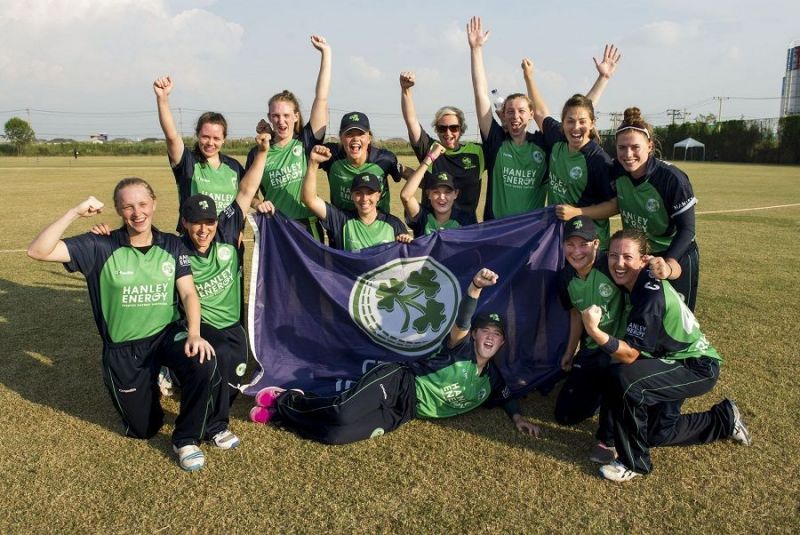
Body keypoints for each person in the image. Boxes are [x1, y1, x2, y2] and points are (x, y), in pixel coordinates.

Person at [26, 178, 226, 472]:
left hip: (166, 335)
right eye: (128, 207)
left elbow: (187, 292)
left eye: (143, 204)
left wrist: (194, 334)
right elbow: (38, 251)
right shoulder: (99, 245)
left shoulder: (172, 244)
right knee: (145, 429)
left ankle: (186, 439)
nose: (137, 213)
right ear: (119, 210)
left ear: (154, 204)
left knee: (202, 360)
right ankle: (154, 380)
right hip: (124, 350)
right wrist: (75, 212)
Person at [91, 130, 272, 425]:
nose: (203, 230)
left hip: (232, 326)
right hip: (201, 327)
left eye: (209, 222)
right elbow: (140, 244)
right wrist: (107, 237)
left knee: (233, 380)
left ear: (217, 221)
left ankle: (186, 380)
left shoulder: (226, 230)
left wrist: (262, 151)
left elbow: (246, 191)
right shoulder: (175, 247)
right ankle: (203, 411)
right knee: (212, 364)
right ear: (184, 223)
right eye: (195, 224)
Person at [249, 268, 540, 445]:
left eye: (497, 334)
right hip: (400, 381)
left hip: (405, 411)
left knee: (334, 436)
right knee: (341, 412)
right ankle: (286, 399)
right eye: (484, 331)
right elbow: (462, 321)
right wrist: (474, 288)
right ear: (475, 335)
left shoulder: (491, 379)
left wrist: (517, 418)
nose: (490, 337)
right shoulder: (460, 346)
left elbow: (505, 396)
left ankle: (280, 417)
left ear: (502, 343)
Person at [580, 229, 752, 482]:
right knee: (658, 433)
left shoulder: (649, 293)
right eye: (614, 255)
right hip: (667, 360)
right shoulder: (637, 275)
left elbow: (628, 355)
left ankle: (634, 463)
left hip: (695, 366)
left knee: (626, 378)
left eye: (627, 257)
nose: (618, 263)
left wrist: (593, 330)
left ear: (644, 259)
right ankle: (724, 419)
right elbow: (595, 256)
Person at [524, 45, 621, 248]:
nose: (576, 127)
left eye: (582, 122)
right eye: (570, 121)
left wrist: (578, 212)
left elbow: (614, 206)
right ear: (563, 123)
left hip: (591, 245)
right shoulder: (558, 139)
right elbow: (541, 113)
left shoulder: (598, 159)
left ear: (592, 124)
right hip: (561, 238)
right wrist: (529, 77)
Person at [612, 107, 700, 311]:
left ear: (649, 146)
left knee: (674, 318)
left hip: (674, 254)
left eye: (635, 147)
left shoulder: (671, 178)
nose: (628, 154)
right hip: (638, 257)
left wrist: (668, 264)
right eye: (622, 147)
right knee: (639, 319)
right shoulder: (616, 171)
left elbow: (687, 229)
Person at [245, 35, 331, 241]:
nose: (281, 121)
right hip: (275, 228)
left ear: (296, 117)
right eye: (276, 116)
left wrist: (326, 53)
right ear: (269, 118)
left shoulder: (306, 142)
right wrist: (258, 204)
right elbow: (249, 193)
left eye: (286, 115)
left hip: (307, 226)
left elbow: (321, 97)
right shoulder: (259, 152)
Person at [555, 216, 626, 465]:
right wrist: (570, 350)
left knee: (617, 378)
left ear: (596, 244)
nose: (576, 252)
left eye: (583, 244)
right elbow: (575, 313)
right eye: (570, 244)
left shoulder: (612, 265)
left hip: (620, 350)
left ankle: (609, 438)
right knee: (565, 415)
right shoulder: (565, 278)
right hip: (592, 349)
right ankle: (601, 396)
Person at [467, 16, 547, 221]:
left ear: (531, 114)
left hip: (530, 233)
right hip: (496, 231)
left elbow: (554, 117)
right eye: (510, 111)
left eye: (521, 111)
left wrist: (529, 78)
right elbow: (481, 94)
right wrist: (476, 50)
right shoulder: (496, 141)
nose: (515, 116)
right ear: (502, 114)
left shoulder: (543, 144)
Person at [153, 76, 244, 230]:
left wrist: (240, 231)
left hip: (226, 242)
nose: (210, 143)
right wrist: (162, 98)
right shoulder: (187, 161)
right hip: (192, 239)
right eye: (205, 137)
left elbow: (244, 200)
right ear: (197, 135)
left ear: (224, 140)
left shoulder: (234, 167)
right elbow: (171, 135)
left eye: (216, 138)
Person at [400, 71, 484, 219]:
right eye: (442, 128)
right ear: (436, 130)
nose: (448, 133)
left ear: (461, 128)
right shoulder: (431, 149)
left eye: (454, 128)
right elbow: (411, 121)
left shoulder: (477, 152)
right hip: (434, 230)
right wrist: (406, 90)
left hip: (466, 229)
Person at [301, 145, 411, 251]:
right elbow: (309, 199)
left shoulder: (393, 224)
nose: (364, 198)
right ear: (352, 195)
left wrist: (409, 242)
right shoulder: (341, 220)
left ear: (378, 195)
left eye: (370, 193)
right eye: (359, 193)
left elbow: (408, 256)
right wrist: (313, 163)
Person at [321, 111, 406, 214]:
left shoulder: (385, 159)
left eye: (361, 134)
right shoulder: (330, 155)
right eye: (349, 134)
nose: (355, 139)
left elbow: (402, 174)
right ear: (341, 137)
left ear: (369, 137)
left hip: (379, 226)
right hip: (342, 224)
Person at [399, 142, 476, 236]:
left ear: (455, 194)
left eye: (447, 192)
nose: (442, 197)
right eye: (436, 192)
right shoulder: (422, 217)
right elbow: (406, 196)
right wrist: (430, 157)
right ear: (428, 194)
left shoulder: (466, 220)